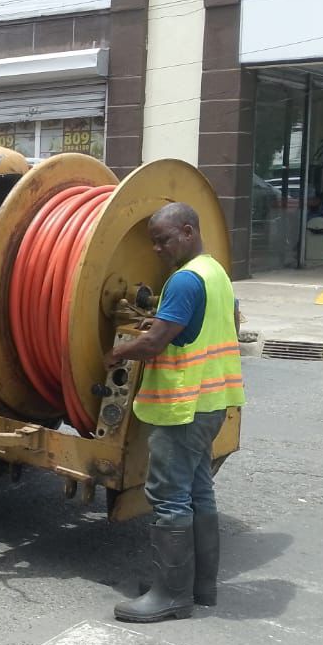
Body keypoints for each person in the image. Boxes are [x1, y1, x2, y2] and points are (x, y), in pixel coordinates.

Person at [105, 203, 246, 623]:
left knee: (169, 497)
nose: (157, 248)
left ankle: (170, 595)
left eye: (164, 239)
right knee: (198, 491)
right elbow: (231, 326)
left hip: (182, 408)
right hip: (213, 403)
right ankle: (202, 587)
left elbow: (154, 345)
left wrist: (116, 352)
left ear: (188, 231)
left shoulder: (184, 281)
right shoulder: (215, 272)